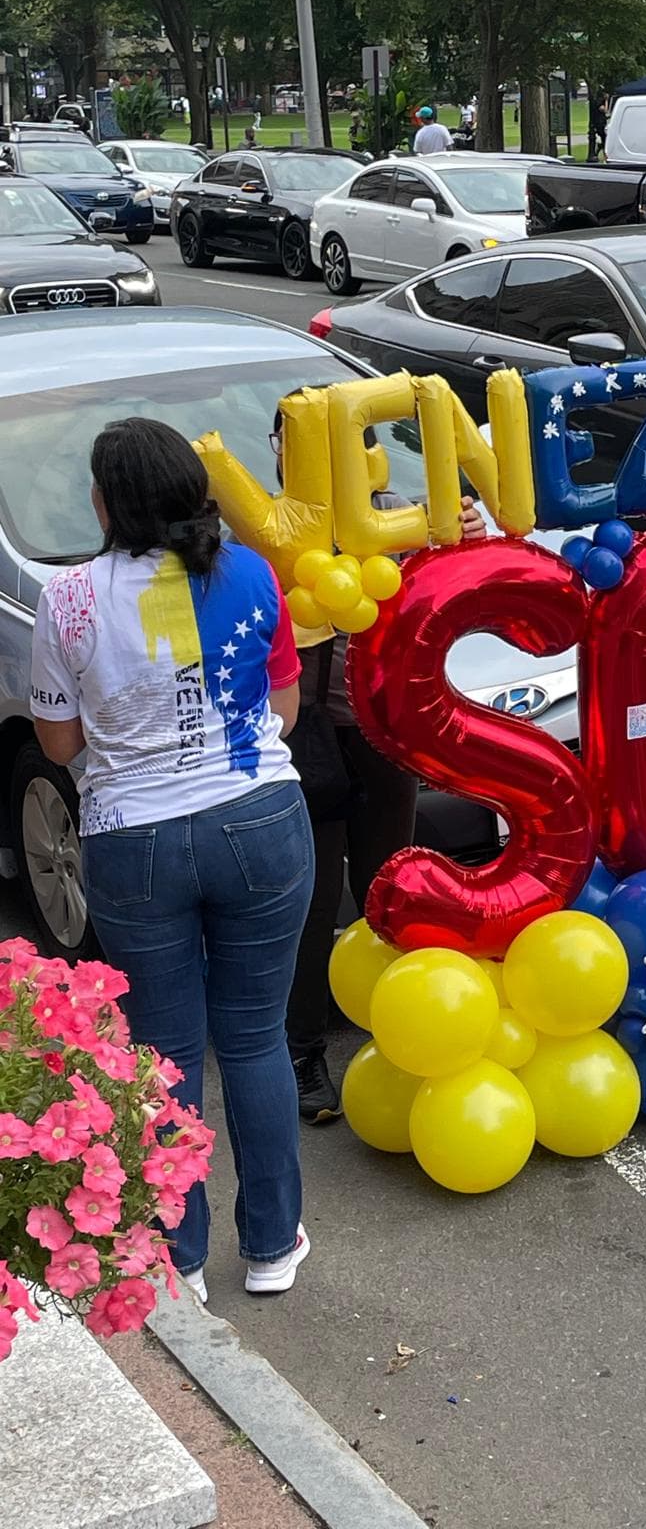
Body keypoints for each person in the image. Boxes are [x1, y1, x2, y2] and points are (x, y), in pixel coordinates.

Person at [30, 418, 315, 1303]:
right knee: (256, 1037)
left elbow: (57, 738)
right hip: (262, 819)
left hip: (132, 841)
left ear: (108, 503)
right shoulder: (252, 574)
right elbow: (289, 709)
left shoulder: (67, 599)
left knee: (163, 1051)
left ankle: (175, 1254)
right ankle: (270, 1247)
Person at [274, 404, 488, 1121]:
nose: (301, 459)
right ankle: (302, 1053)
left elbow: (457, 596)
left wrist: (465, 536)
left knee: (389, 885)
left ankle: (398, 1032)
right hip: (302, 738)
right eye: (292, 446)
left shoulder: (399, 516)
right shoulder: (272, 528)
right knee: (308, 900)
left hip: (382, 731)